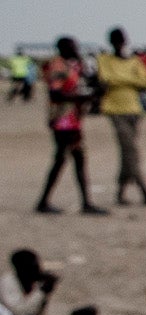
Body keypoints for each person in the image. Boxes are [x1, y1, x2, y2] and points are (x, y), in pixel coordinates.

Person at [95, 29, 146, 207]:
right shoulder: (105, 60)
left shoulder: (134, 61)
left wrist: (119, 80)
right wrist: (129, 79)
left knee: (127, 153)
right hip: (115, 109)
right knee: (131, 151)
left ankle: (120, 193)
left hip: (134, 109)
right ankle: (145, 192)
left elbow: (145, 81)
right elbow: (105, 79)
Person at [38, 37, 99, 215]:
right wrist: (81, 98)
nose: (76, 49)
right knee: (64, 159)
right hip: (63, 120)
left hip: (71, 119)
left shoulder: (69, 65)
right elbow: (55, 94)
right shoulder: (58, 66)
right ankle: (46, 202)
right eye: (73, 47)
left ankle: (84, 202)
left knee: (72, 158)